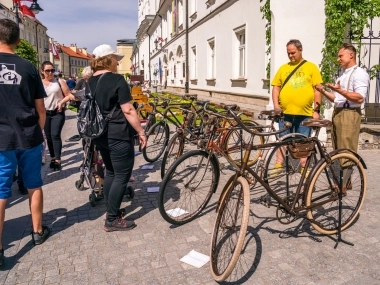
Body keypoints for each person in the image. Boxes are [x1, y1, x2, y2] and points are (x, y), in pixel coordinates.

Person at [0, 19, 50, 264]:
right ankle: (38, 232)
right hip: (28, 135)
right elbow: (41, 109)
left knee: (0, 192)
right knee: (33, 184)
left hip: (0, 139)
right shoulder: (29, 67)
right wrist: (37, 131)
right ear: (18, 41)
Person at [90, 44, 147, 231]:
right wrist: (141, 131)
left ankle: (111, 211)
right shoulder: (117, 80)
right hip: (118, 134)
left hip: (99, 134)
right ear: (108, 59)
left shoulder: (90, 81)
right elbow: (128, 109)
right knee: (122, 174)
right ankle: (112, 219)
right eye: (115, 58)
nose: (117, 62)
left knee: (112, 173)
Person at [271, 39, 323, 173]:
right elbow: (276, 88)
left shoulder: (311, 67)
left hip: (305, 114)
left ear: (300, 50)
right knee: (283, 140)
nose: (290, 56)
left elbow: (317, 90)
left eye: (293, 53)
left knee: (303, 142)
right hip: (285, 113)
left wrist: (316, 110)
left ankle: (304, 168)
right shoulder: (283, 68)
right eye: (288, 53)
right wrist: (276, 106)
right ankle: (278, 165)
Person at [316, 43, 369, 152]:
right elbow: (337, 99)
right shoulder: (343, 75)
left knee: (346, 148)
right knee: (337, 147)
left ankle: (347, 168)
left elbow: (359, 97)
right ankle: (341, 168)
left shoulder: (359, 73)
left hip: (350, 113)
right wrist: (323, 91)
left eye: (340, 56)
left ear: (351, 55)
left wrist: (339, 90)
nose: (338, 59)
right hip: (338, 111)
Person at [41, 61, 72, 171]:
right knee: (48, 136)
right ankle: (53, 157)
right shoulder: (39, 83)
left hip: (57, 112)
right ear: (42, 71)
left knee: (55, 135)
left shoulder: (59, 81)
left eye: (52, 70)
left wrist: (61, 102)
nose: (50, 73)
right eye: (47, 71)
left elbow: (69, 95)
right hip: (45, 113)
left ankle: (58, 159)